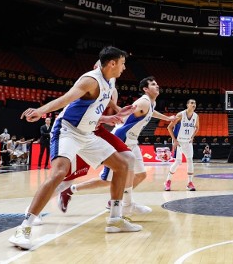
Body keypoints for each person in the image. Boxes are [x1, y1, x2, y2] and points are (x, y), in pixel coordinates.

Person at [9, 46, 139, 250]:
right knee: (59, 173)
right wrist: (40, 111)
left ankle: (115, 219)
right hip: (68, 130)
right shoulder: (90, 80)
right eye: (122, 63)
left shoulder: (109, 82)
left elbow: (93, 109)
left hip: (87, 135)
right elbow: (65, 100)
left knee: (122, 165)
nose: (124, 68)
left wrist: (119, 113)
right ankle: (24, 227)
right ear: (112, 63)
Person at [60, 76, 173, 215]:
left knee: (141, 175)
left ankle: (123, 201)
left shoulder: (151, 103)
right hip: (122, 139)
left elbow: (151, 112)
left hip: (132, 141)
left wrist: (167, 118)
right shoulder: (143, 101)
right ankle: (71, 190)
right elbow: (126, 115)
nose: (157, 86)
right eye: (153, 84)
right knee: (106, 181)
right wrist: (105, 119)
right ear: (145, 89)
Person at [165, 98, 199, 191]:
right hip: (179, 141)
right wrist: (174, 140)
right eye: (192, 103)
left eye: (195, 103)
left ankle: (189, 183)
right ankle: (168, 181)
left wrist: (192, 137)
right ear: (187, 105)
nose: (194, 104)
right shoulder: (180, 114)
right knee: (178, 162)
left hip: (187, 141)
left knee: (190, 160)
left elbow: (197, 127)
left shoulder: (196, 116)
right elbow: (169, 127)